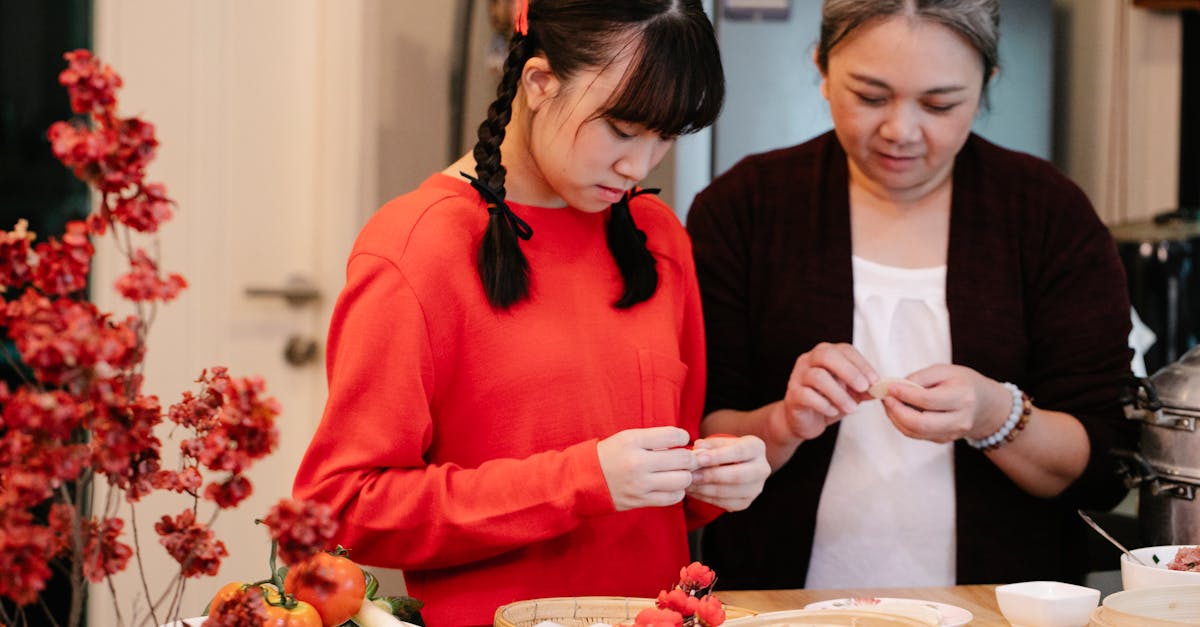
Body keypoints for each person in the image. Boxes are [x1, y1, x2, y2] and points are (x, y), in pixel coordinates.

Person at [292, 1, 770, 624]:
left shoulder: (658, 239)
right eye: (623, 130)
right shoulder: (417, 248)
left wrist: (714, 477)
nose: (640, 166)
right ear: (539, 83)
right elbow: (341, 512)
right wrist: (579, 481)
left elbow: (660, 489)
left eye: (666, 137)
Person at [687, 0, 1136, 589]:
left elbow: (1105, 461)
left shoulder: (1048, 214)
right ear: (822, 68)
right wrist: (786, 421)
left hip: (1000, 604)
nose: (900, 130)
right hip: (778, 601)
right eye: (870, 97)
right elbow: (698, 441)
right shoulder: (746, 206)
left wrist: (994, 414)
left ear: (986, 85)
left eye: (939, 104)